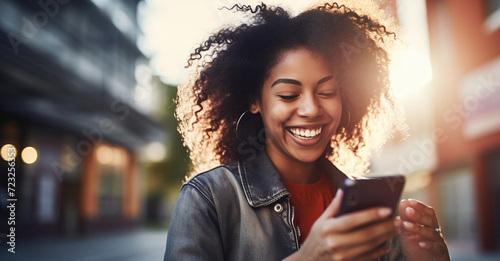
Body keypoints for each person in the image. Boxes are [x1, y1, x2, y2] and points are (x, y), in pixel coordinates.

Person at [164, 1, 450, 260]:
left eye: (327, 91)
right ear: (255, 101)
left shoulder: (365, 205)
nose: (311, 109)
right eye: (289, 95)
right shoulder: (208, 199)